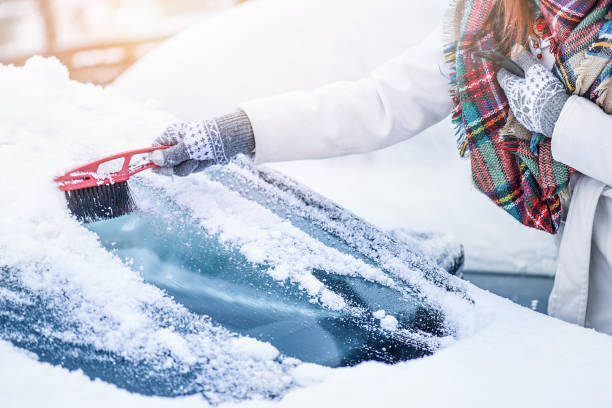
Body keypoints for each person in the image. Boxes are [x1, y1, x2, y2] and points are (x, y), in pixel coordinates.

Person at [150, 0, 612, 334]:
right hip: (585, 290)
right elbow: (378, 104)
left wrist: (561, 121)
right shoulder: (491, 21)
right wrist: (242, 130)